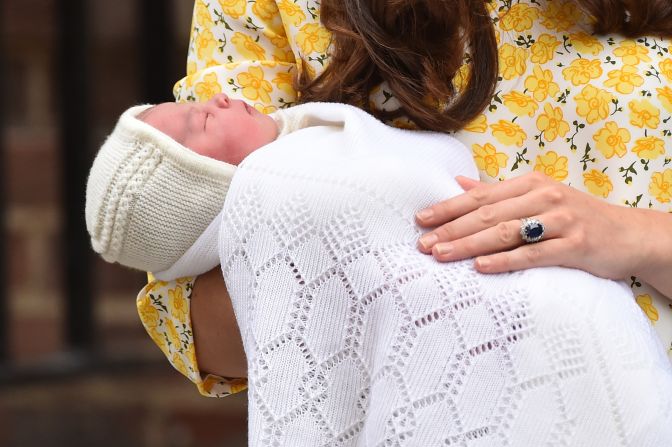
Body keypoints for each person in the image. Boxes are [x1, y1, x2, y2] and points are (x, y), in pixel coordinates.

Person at [87, 92, 672, 444]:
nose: (210, 103)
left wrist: (640, 236)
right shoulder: (289, 163)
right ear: (202, 185)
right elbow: (178, 311)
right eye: (196, 125)